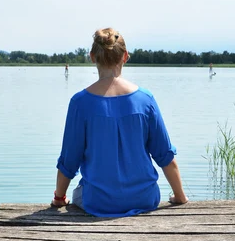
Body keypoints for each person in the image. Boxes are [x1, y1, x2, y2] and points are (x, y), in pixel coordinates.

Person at [52, 27, 188, 217]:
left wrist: (59, 198)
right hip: (145, 199)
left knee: (79, 194)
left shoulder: (80, 103)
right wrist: (180, 196)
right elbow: (165, 155)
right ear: (125, 56)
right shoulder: (145, 99)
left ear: (92, 57)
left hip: (98, 202)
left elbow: (69, 160)